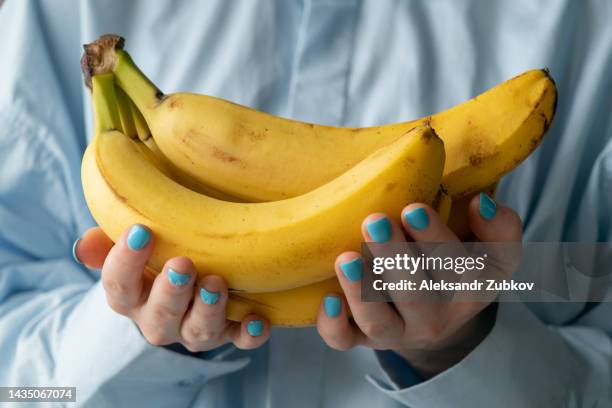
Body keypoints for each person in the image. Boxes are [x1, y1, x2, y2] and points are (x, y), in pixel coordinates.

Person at [0, 1, 610, 406]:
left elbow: (594, 307)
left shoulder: (586, 23)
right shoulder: (49, 12)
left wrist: (462, 345)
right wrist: (136, 333)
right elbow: (18, 388)